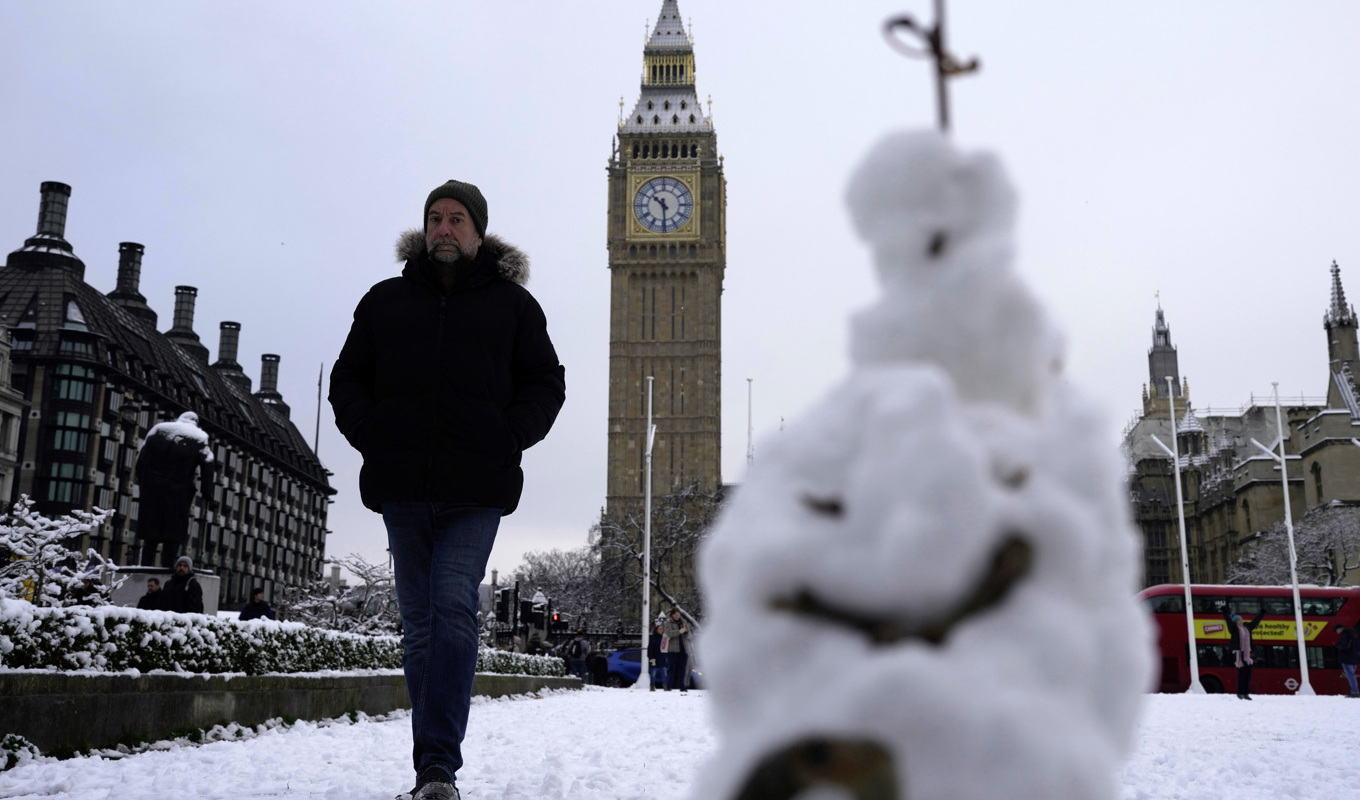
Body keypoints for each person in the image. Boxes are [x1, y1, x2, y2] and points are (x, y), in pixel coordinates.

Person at [329, 179, 565, 800]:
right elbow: (347, 378)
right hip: (401, 485)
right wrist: (373, 435)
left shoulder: (514, 306)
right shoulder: (385, 301)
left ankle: (438, 767)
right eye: (435, 218)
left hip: (476, 487)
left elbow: (546, 382)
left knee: (453, 608)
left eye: (457, 219)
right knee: (420, 628)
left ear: (479, 232)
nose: (445, 228)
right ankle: (431, 766)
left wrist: (507, 436)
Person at [134, 411, 214, 568]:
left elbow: (140, 460)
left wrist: (142, 480)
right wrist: (207, 491)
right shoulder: (198, 437)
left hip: (152, 491)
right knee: (173, 534)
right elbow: (208, 463)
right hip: (178, 493)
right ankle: (167, 567)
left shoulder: (158, 430)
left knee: (151, 534)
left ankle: (145, 567)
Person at [1223, 606, 1264, 699]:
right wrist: (1225, 612)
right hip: (1238, 653)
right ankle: (1240, 693)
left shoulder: (1247, 627)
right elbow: (1228, 621)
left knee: (1248, 674)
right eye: (1239, 620)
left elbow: (1255, 622)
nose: (1241, 621)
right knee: (1242, 673)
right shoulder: (1234, 629)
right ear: (1236, 622)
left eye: (1241, 620)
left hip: (1247, 654)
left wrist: (1261, 614)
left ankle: (1245, 693)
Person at [662, 608, 693, 693]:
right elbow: (669, 633)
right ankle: (669, 686)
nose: (677, 616)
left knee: (682, 669)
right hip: (673, 649)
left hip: (684, 649)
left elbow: (690, 636)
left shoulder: (684, 622)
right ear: (672, 615)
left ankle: (682, 687)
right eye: (675, 615)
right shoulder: (668, 622)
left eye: (678, 615)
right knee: (671, 669)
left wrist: (686, 633)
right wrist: (679, 631)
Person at [1336, 623, 1359, 697]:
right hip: (1355, 659)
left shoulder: (1344, 635)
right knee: (1352, 675)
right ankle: (1355, 691)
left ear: (1340, 629)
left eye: (1336, 630)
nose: (1337, 632)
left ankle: (1355, 692)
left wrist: (1338, 646)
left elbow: (1344, 646)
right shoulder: (1353, 634)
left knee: (1350, 676)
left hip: (1347, 658)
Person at [647, 622, 666, 690]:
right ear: (656, 630)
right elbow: (650, 649)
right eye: (660, 629)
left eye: (662, 629)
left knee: (664, 673)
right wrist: (651, 658)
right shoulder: (653, 638)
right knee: (653, 674)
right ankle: (652, 685)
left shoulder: (664, 638)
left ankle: (665, 685)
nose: (661, 630)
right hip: (654, 658)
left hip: (662, 658)